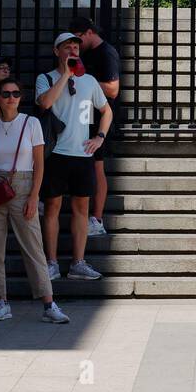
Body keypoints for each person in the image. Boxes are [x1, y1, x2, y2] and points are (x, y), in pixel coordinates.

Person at [0, 76, 69, 324]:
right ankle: (1, 301)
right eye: (6, 94)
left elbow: (39, 163)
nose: (12, 98)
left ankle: (49, 303)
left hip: (23, 183)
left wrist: (34, 196)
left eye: (16, 93)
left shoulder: (31, 123)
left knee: (33, 247)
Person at [36, 32, 113, 281]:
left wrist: (99, 137)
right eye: (67, 47)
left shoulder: (90, 81)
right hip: (55, 153)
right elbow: (45, 104)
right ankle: (51, 262)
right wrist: (66, 75)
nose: (73, 50)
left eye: (76, 47)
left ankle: (78, 262)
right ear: (56, 51)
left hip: (82, 154)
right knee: (52, 207)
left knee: (82, 208)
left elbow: (106, 111)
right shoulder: (46, 78)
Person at [70, 16, 120, 237]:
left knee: (98, 167)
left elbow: (112, 89)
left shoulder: (106, 52)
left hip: (99, 119)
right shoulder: (86, 53)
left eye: (79, 38)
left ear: (89, 32)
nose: (77, 44)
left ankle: (96, 218)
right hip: (81, 117)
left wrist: (85, 78)